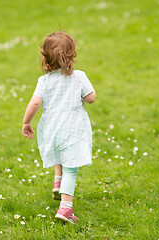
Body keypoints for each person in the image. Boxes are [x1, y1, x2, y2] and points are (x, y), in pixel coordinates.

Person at [21, 31, 96, 224]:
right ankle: (65, 208)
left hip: (52, 129)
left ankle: (57, 181)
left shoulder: (44, 81)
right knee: (71, 167)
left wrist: (26, 121)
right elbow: (91, 98)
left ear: (45, 59)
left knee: (59, 153)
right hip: (72, 129)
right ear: (71, 56)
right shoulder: (79, 77)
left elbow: (35, 103)